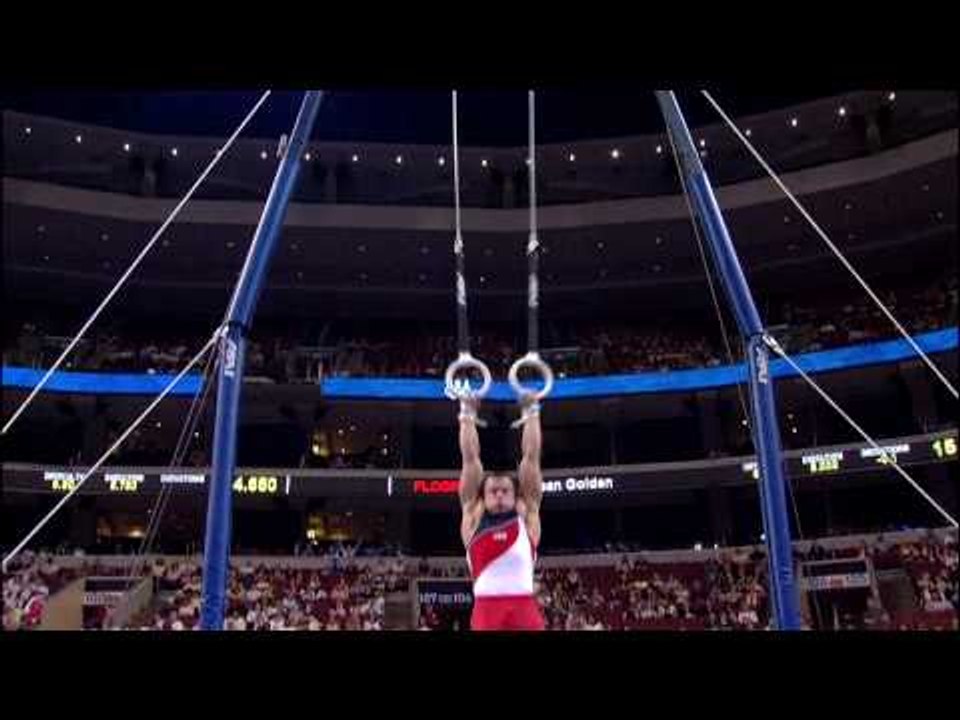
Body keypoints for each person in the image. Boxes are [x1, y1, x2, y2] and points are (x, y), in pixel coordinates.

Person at [457, 393, 546, 631]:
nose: (498, 494)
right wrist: (466, 414)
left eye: (505, 490)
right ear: (482, 496)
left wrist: (532, 413)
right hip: (486, 612)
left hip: (524, 608)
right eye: (493, 491)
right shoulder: (473, 516)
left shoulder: (526, 514)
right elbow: (469, 459)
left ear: (516, 496)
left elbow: (531, 459)